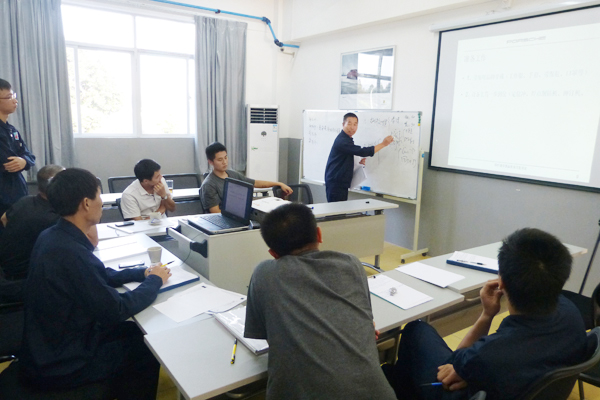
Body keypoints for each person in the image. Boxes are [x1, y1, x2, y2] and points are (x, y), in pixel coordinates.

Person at [384, 228, 593, 400]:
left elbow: (452, 366)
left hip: (468, 394)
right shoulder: (573, 314)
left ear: (501, 283)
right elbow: (474, 365)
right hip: (518, 387)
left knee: (416, 330)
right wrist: (474, 373)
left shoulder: (488, 355)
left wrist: (486, 315)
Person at [20, 168, 172, 399]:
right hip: (62, 363)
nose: (102, 203)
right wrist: (154, 280)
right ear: (86, 203)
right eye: (99, 196)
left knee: (134, 331)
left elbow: (97, 273)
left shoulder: (54, 236)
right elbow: (116, 309)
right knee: (145, 345)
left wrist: (141, 272)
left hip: (51, 343)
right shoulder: (70, 252)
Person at [244, 203, 396, 399]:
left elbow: (269, 336)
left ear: (273, 254)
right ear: (319, 234)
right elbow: (364, 320)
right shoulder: (352, 264)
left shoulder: (264, 274)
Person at [0, 164, 64, 280]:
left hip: (7, 268)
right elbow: (88, 241)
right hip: (27, 277)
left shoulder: (24, 201)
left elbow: (3, 219)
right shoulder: (53, 217)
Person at [200, 142, 293, 213]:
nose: (224, 162)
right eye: (220, 159)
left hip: (241, 213)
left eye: (226, 157)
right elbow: (215, 213)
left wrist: (279, 183)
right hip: (228, 219)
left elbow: (255, 183)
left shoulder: (233, 174)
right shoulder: (209, 184)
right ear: (210, 162)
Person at [324, 112, 393, 202]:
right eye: (349, 124)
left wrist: (357, 164)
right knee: (336, 210)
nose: (352, 127)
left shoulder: (347, 139)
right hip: (336, 184)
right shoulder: (342, 141)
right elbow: (362, 152)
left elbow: (344, 159)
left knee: (340, 209)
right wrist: (383, 144)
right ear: (343, 124)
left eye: (355, 124)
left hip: (339, 183)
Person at [0, 78, 36, 218]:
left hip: (17, 191)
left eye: (13, 96)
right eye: (9, 97)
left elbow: (29, 155)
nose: (15, 101)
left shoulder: (12, 130)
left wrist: (24, 161)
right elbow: (8, 161)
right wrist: (21, 160)